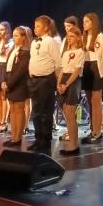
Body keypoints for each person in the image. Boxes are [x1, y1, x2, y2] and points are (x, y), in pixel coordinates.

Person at [27, 15, 62, 154]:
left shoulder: (51, 42)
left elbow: (58, 63)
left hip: (46, 80)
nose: (35, 29)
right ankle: (38, 139)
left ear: (46, 28)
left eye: (38, 26)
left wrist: (58, 82)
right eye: (34, 26)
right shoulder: (34, 42)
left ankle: (46, 141)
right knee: (36, 112)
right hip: (34, 80)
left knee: (45, 112)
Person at [1, 26, 31, 147]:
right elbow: (7, 67)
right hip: (9, 81)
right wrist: (4, 81)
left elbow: (20, 71)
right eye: (13, 35)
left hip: (19, 83)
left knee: (19, 109)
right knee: (12, 110)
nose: (14, 38)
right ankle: (13, 136)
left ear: (23, 37)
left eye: (16, 35)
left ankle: (18, 138)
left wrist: (9, 84)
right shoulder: (13, 50)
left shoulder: (25, 52)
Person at [57, 25, 85, 155]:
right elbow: (62, 70)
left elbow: (77, 71)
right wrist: (58, 84)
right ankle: (71, 143)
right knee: (66, 113)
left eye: (72, 36)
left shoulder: (80, 52)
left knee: (70, 113)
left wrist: (66, 85)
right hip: (64, 81)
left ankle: (73, 145)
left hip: (73, 82)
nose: (69, 38)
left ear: (78, 38)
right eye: (68, 36)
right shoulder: (66, 52)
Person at [81, 12, 103, 144]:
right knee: (90, 102)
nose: (84, 24)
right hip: (86, 68)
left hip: (96, 68)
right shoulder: (84, 37)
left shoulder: (100, 37)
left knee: (96, 102)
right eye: (83, 22)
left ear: (93, 22)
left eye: (87, 21)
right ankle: (92, 129)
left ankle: (98, 131)